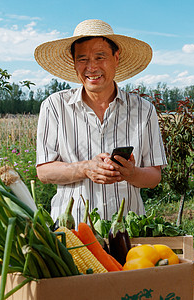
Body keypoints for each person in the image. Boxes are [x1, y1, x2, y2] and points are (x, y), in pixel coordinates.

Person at [34, 19, 167, 224]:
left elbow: (154, 176)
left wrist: (131, 173)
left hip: (126, 231)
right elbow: (44, 171)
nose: (91, 67)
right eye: (83, 59)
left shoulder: (143, 110)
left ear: (116, 57)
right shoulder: (55, 106)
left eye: (100, 57)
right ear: (74, 62)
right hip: (72, 231)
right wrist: (85, 168)